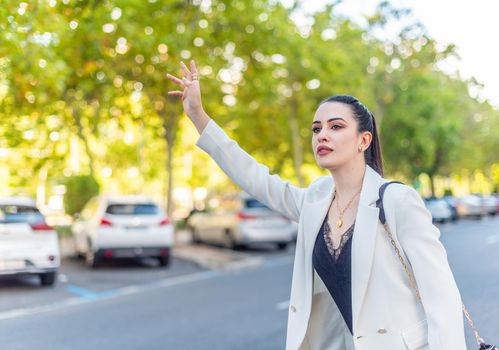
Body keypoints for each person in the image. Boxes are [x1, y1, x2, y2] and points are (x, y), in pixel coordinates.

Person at [166, 60, 467, 350]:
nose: (322, 134)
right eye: (316, 128)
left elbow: (442, 298)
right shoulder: (314, 200)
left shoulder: (397, 200)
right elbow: (255, 177)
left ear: (364, 140)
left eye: (336, 127)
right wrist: (197, 115)